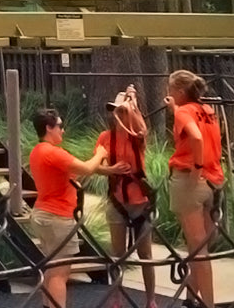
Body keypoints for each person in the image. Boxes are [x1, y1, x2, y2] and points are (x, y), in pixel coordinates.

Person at [29, 107, 127, 308]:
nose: (62, 131)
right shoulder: (53, 153)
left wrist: (109, 170)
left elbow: (78, 170)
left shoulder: (38, 151)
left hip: (43, 214)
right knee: (60, 272)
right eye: (59, 126)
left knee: (51, 267)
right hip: (57, 217)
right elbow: (87, 168)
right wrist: (100, 152)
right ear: (49, 128)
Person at [166, 70, 224, 308]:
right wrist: (174, 110)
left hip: (191, 182)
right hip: (215, 181)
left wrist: (196, 168)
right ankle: (191, 299)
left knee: (199, 252)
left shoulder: (184, 113)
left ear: (179, 92)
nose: (168, 94)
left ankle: (208, 304)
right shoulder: (207, 111)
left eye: (170, 90)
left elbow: (196, 137)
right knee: (200, 248)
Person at [98, 86, 156, 308]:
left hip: (140, 202)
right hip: (117, 201)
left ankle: (150, 300)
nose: (120, 115)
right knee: (118, 254)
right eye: (117, 111)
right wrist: (111, 169)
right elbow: (98, 165)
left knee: (146, 254)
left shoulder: (137, 137)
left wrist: (132, 101)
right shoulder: (106, 138)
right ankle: (116, 298)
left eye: (124, 111)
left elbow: (141, 127)